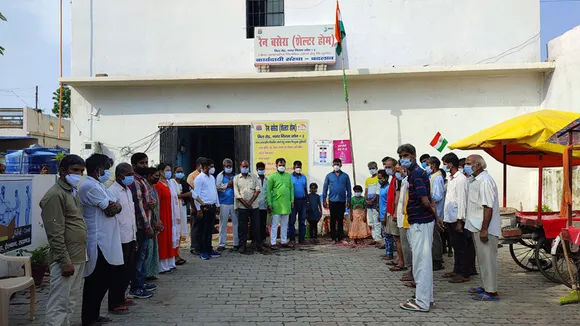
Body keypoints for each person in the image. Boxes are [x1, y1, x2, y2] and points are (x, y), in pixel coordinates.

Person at [40, 154, 86, 326]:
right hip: (65, 259)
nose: (79, 174)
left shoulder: (72, 192)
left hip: (78, 255)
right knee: (59, 304)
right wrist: (65, 261)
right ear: (62, 171)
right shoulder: (55, 195)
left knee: (70, 301)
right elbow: (55, 233)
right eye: (75, 170)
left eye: (81, 171)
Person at [79, 154, 123, 325]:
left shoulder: (99, 185)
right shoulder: (90, 186)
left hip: (106, 239)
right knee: (95, 281)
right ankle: (89, 318)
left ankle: (94, 314)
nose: (107, 172)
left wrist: (116, 206)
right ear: (98, 169)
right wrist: (116, 206)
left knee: (104, 280)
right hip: (98, 240)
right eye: (106, 168)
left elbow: (116, 205)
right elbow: (110, 208)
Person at [397, 144, 438, 313]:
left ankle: (422, 302)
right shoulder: (414, 174)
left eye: (406, 155)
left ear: (414, 155)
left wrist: (435, 216)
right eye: (401, 156)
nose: (404, 159)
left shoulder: (418, 174)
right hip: (418, 221)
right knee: (423, 260)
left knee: (421, 261)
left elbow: (425, 200)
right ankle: (426, 297)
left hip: (421, 222)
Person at [465, 154, 501, 301]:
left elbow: (488, 207)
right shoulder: (475, 180)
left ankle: (492, 291)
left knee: (488, 260)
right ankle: (486, 286)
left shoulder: (485, 181)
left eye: (469, 163)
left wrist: (484, 229)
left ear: (478, 165)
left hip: (484, 227)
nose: (466, 166)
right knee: (482, 259)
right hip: (476, 225)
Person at [107, 163, 137, 314]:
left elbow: (130, 213)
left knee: (128, 270)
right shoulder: (112, 191)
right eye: (129, 174)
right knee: (118, 272)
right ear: (119, 175)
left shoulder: (128, 190)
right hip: (119, 237)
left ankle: (122, 296)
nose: (131, 176)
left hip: (130, 235)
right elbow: (111, 213)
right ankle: (115, 302)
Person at [441, 152, 475, 283]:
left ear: (450, 164)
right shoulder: (450, 179)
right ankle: (457, 269)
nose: (444, 166)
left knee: (462, 247)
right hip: (450, 217)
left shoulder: (461, 179)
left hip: (457, 219)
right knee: (455, 246)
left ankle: (464, 273)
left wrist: (460, 221)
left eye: (445, 164)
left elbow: (462, 201)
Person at [128, 153, 156, 299]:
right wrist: (147, 226)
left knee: (143, 256)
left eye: (146, 163)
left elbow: (149, 200)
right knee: (138, 257)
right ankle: (136, 287)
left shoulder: (143, 180)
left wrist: (153, 203)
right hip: (140, 226)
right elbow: (138, 207)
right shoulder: (135, 182)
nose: (145, 166)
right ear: (133, 164)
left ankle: (141, 282)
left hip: (147, 221)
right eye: (141, 163)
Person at [192, 158, 221, 260]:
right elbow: (196, 195)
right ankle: (203, 251)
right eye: (211, 166)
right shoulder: (199, 179)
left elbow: (214, 192)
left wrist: (217, 204)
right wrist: (199, 209)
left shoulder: (212, 178)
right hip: (204, 207)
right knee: (202, 230)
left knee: (209, 230)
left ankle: (209, 249)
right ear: (205, 167)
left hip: (212, 206)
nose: (212, 168)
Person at [154, 163, 180, 273]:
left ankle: (170, 262)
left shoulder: (170, 184)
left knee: (171, 238)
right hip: (163, 214)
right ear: (160, 172)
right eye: (167, 170)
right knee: (163, 239)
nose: (169, 172)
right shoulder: (157, 185)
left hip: (172, 215)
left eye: (170, 170)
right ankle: (162, 265)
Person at [233, 160, 262, 254]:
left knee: (256, 226)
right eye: (244, 167)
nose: (245, 168)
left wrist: (250, 202)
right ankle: (242, 246)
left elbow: (257, 190)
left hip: (254, 206)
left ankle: (257, 244)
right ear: (240, 167)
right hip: (242, 206)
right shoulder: (236, 178)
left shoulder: (253, 176)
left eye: (247, 166)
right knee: (242, 227)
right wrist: (245, 204)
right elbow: (236, 193)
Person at [322, 158, 352, 244]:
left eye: (338, 164)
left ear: (341, 165)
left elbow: (349, 188)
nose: (336, 166)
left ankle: (340, 237)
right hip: (332, 200)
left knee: (340, 219)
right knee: (333, 219)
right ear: (332, 165)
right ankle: (333, 237)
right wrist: (324, 199)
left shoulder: (345, 176)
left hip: (342, 200)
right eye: (335, 164)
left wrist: (349, 200)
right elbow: (325, 188)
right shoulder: (329, 176)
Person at [267, 158, 294, 249]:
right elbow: (268, 191)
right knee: (274, 224)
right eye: (280, 165)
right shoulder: (272, 177)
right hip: (276, 204)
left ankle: (283, 241)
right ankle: (273, 243)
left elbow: (291, 189)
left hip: (286, 204)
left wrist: (292, 200)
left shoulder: (288, 176)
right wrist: (270, 203)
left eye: (283, 165)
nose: (282, 167)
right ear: (276, 166)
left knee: (285, 224)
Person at [141, 167, 162, 281]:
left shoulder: (153, 188)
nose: (157, 178)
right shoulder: (146, 188)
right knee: (146, 250)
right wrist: (154, 222)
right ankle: (144, 275)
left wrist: (158, 220)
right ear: (149, 176)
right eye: (155, 176)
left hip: (155, 220)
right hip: (148, 222)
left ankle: (150, 272)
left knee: (153, 248)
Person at [385, 158, 404, 271]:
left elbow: (397, 197)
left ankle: (401, 261)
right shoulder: (392, 179)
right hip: (391, 210)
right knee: (394, 236)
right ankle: (398, 259)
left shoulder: (398, 179)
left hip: (396, 211)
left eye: (389, 167)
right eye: (386, 167)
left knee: (397, 237)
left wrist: (396, 212)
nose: (388, 169)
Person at [426, 156, 445, 271]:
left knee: (435, 237)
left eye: (428, 164)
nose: (426, 167)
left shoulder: (437, 178)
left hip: (436, 211)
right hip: (432, 210)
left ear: (433, 165)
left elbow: (438, 196)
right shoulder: (432, 177)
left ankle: (437, 260)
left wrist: (427, 198)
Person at [216, 158, 238, 251]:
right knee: (223, 224)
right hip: (223, 203)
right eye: (227, 166)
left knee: (236, 224)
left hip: (235, 203)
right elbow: (217, 187)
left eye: (230, 166)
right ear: (223, 167)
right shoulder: (220, 176)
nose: (229, 168)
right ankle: (222, 244)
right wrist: (227, 184)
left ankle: (236, 243)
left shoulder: (236, 176)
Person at [187, 157, 205, 255]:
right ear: (198, 166)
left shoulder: (206, 176)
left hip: (204, 206)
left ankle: (201, 246)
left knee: (202, 227)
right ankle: (194, 247)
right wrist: (193, 207)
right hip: (195, 206)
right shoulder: (192, 176)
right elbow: (191, 194)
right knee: (195, 227)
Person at [174, 166, 190, 265]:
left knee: (180, 233)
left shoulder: (184, 183)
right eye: (178, 171)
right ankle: (174, 254)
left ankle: (177, 253)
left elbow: (189, 193)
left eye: (181, 172)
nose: (180, 173)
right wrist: (183, 196)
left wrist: (183, 196)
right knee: (175, 232)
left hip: (182, 208)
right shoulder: (172, 183)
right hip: (175, 208)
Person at [289, 160, 308, 244]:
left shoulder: (304, 177)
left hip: (302, 201)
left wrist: (307, 201)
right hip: (293, 202)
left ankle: (301, 239)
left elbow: (305, 189)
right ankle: (292, 239)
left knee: (302, 220)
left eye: (300, 167)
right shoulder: (289, 177)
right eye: (297, 167)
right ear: (293, 168)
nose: (298, 168)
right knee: (292, 221)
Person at [377, 169, 393, 259]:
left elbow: (388, 202)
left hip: (387, 214)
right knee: (384, 234)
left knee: (388, 235)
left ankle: (389, 253)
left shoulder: (388, 187)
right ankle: (387, 251)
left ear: (386, 177)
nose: (379, 180)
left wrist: (386, 215)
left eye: (381, 178)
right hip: (382, 213)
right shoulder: (382, 187)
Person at [364, 161, 382, 243]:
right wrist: (366, 200)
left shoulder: (378, 178)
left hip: (375, 202)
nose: (371, 170)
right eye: (370, 168)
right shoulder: (367, 180)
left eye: (373, 168)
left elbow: (378, 191)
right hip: (368, 203)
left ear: (376, 168)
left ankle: (378, 238)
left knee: (376, 220)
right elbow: (366, 191)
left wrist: (373, 200)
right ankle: (374, 237)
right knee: (371, 221)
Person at [256, 162, 269, 246]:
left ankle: (263, 240)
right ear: (257, 170)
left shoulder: (267, 180)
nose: (261, 171)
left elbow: (269, 192)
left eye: (262, 169)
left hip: (264, 205)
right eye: (259, 169)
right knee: (256, 223)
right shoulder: (254, 179)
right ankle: (256, 240)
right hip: (256, 205)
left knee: (263, 223)